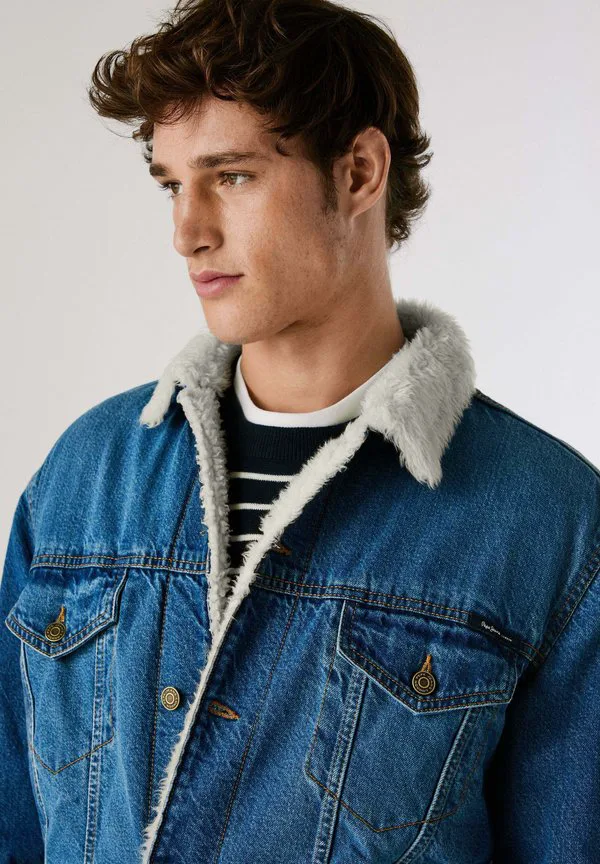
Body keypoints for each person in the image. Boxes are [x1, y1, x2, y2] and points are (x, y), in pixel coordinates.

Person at [1, 0, 599, 861]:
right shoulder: (84, 479)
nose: (187, 232)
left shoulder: (548, 520)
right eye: (172, 185)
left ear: (358, 173)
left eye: (231, 177)